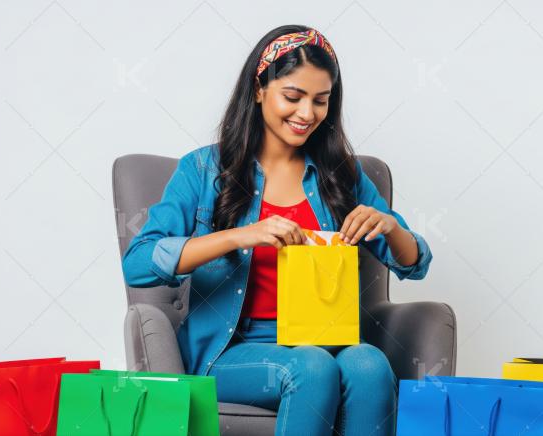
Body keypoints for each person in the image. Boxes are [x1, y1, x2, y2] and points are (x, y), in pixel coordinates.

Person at [122, 24, 433, 436]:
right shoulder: (201, 170)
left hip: (325, 342)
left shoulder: (341, 174)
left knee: (369, 364)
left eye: (320, 101)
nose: (307, 114)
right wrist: (239, 235)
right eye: (293, 96)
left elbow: (416, 264)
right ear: (259, 89)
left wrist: (391, 227)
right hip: (231, 352)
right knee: (311, 367)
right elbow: (138, 264)